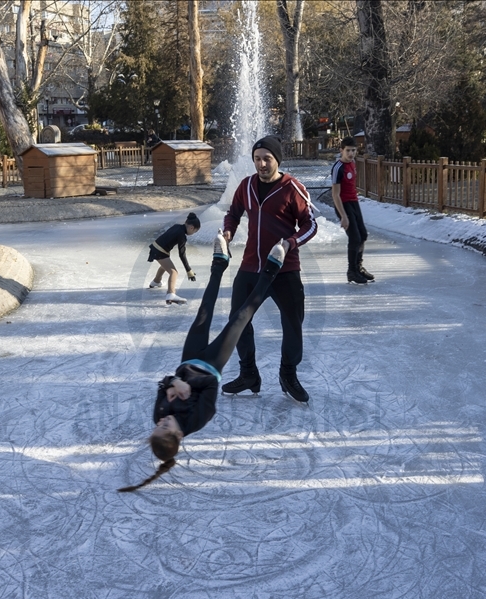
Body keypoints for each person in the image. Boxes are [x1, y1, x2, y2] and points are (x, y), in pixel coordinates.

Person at [120, 232, 290, 491]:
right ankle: (272, 269)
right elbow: (211, 384)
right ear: (178, 435)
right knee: (241, 316)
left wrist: (176, 381)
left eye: (157, 426)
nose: (160, 421)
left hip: (188, 357)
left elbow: (162, 384)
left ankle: (219, 262)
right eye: (164, 427)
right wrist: (187, 387)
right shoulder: (199, 418)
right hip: (213, 362)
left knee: (204, 310)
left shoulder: (160, 414)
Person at [221, 135, 318, 403]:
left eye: (267, 159)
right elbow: (233, 213)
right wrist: (228, 232)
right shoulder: (246, 185)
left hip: (284, 270)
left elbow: (310, 225)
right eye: (257, 159)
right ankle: (249, 374)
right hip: (251, 267)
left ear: (277, 160)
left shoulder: (292, 188)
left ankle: (288, 374)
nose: (262, 164)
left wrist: (290, 243)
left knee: (292, 325)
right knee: (237, 323)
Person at [331, 136, 373, 284]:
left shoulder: (353, 163)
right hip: (343, 204)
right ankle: (351, 271)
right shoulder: (338, 167)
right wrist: (343, 216)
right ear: (341, 150)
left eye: (353, 150)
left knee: (362, 235)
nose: (351, 153)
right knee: (354, 238)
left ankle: (358, 267)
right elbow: (335, 195)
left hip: (353, 202)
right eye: (348, 150)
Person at [147, 212, 200, 305]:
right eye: (195, 231)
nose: (193, 233)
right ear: (192, 228)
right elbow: (182, 254)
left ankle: (156, 281)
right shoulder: (182, 236)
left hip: (155, 247)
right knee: (174, 272)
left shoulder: (177, 226)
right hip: (160, 251)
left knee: (165, 266)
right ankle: (171, 293)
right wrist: (188, 270)